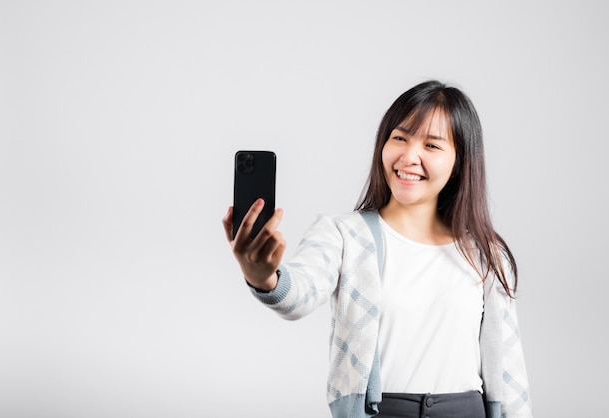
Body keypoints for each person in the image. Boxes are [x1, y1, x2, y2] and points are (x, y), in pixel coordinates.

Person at [222, 80, 532, 418]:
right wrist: (263, 276)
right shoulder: (344, 234)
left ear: (460, 161)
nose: (409, 156)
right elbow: (298, 294)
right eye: (399, 138)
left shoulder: (486, 254)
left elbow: (508, 372)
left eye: (431, 145)